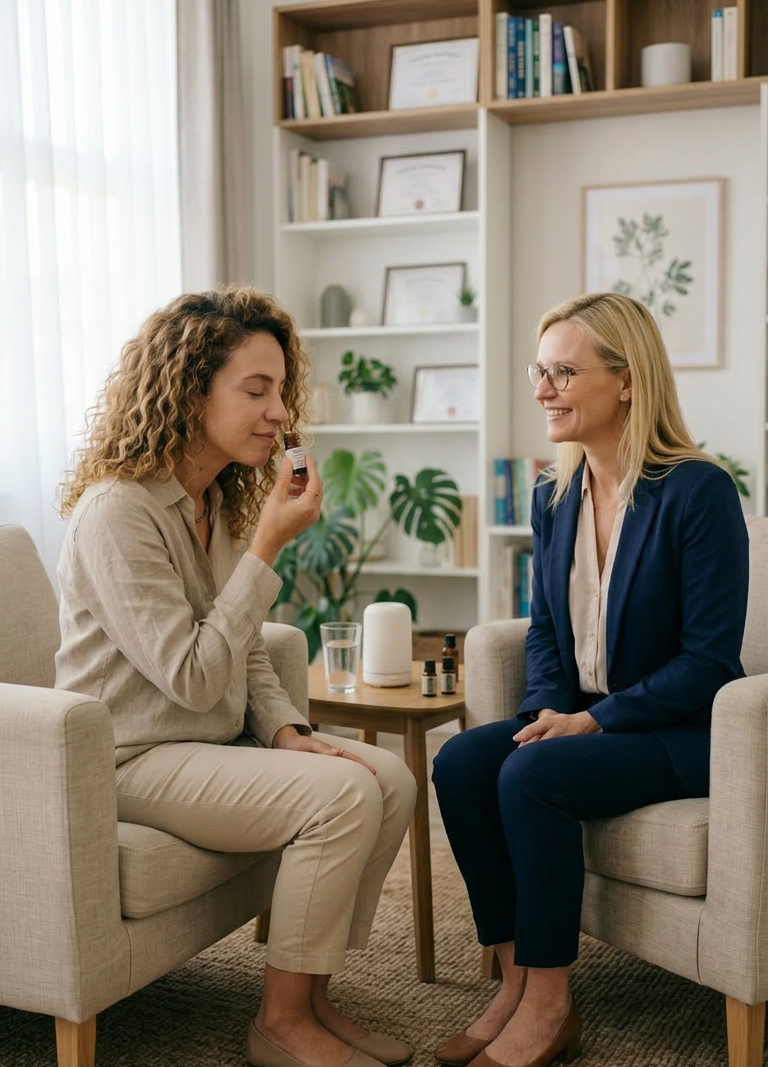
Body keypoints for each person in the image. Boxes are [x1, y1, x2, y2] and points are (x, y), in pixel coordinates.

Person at [55, 287, 418, 1067]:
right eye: (256, 390)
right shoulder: (117, 511)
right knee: (343, 795)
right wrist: (267, 549)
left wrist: (288, 730)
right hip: (127, 757)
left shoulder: (210, 498)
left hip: (201, 747)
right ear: (191, 393)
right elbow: (189, 676)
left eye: (280, 390)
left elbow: (243, 643)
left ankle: (316, 997)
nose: (278, 411)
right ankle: (280, 1024)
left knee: (386, 775)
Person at [431, 292, 749, 1067]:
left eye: (564, 372)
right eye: (541, 371)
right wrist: (548, 707)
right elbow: (545, 631)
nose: (543, 389)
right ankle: (512, 980)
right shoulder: (553, 492)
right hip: (586, 718)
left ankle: (549, 1003)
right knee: (462, 761)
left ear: (628, 380)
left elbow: (708, 661)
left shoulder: (697, 491)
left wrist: (593, 723)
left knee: (534, 772)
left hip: (681, 730)